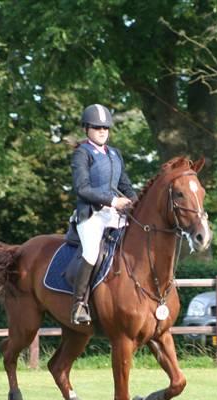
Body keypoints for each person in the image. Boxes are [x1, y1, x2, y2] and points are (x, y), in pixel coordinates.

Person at [69, 103, 138, 325]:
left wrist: (137, 203)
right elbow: (82, 188)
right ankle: (79, 304)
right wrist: (112, 200)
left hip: (116, 216)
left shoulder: (115, 154)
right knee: (91, 252)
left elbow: (125, 184)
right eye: (97, 127)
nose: (102, 131)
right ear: (86, 129)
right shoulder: (82, 153)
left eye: (105, 128)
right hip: (91, 216)